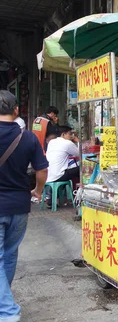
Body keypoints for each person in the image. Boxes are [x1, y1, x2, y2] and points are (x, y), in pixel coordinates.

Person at [0, 90, 48, 321]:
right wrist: (38, 192)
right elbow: (41, 170)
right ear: (16, 110)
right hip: (19, 205)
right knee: (8, 255)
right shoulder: (27, 137)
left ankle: (7, 312)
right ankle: (4, 300)